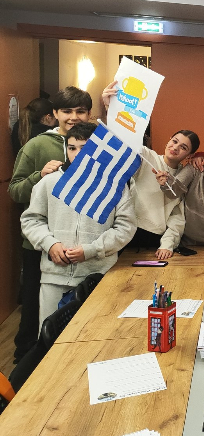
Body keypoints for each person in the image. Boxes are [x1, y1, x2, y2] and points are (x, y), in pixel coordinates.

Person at [20, 123, 136, 328]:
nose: (77, 154)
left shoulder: (115, 186)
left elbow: (125, 226)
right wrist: (50, 244)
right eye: (72, 148)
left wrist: (92, 250)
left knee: (94, 334)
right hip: (54, 276)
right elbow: (31, 219)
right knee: (50, 337)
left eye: (85, 148)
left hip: (98, 275)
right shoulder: (49, 182)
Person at [8, 86, 92, 362]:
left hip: (83, 250)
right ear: (54, 113)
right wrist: (38, 176)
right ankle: (27, 366)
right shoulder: (37, 145)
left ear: (89, 114)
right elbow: (15, 190)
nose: (74, 117)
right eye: (67, 111)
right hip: (41, 246)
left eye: (80, 111)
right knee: (34, 312)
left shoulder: (97, 145)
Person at [126, 130, 200, 259]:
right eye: (174, 141)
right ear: (169, 140)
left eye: (183, 147)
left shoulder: (183, 178)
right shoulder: (147, 156)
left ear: (190, 155)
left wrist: (167, 244)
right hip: (128, 231)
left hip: (155, 240)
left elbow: (177, 217)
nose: (175, 148)